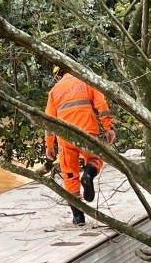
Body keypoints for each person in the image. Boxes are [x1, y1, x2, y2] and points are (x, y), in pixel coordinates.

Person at [44, 66, 116, 226]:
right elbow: (102, 105)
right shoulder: (87, 81)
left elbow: (48, 120)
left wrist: (49, 145)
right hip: (87, 132)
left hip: (65, 138)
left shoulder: (54, 91)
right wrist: (108, 128)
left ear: (57, 76)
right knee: (95, 160)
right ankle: (88, 175)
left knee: (69, 175)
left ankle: (78, 217)